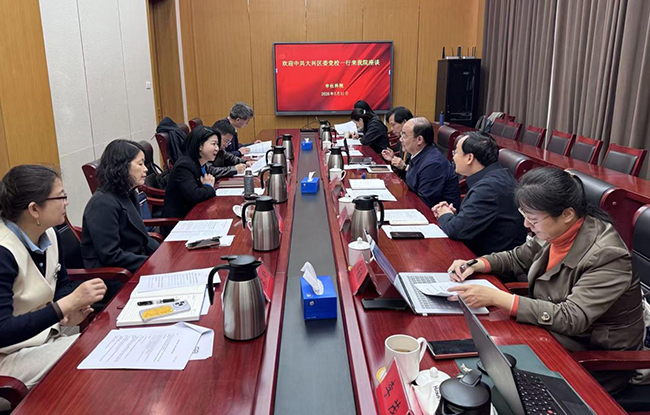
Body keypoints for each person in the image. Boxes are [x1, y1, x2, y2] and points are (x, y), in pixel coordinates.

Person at [447, 167, 644, 394]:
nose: (526, 225)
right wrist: (475, 264)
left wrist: (499, 298)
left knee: (490, 377)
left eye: (532, 219)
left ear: (567, 214)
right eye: (524, 215)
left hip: (592, 356)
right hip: (549, 334)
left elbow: (572, 318)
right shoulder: (557, 231)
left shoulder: (608, 255)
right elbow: (517, 257)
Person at [0, 165, 107, 409]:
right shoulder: (4, 251)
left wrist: (68, 313)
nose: (66, 203)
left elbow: (62, 283)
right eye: (61, 197)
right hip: (7, 358)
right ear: (34, 209)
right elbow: (2, 331)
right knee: (93, 352)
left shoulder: (51, 234)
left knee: (104, 338)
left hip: (41, 339)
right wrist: (63, 308)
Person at [432, 131, 527, 255]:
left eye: (456, 152)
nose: (453, 157)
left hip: (493, 261)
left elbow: (456, 230)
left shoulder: (488, 189)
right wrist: (457, 215)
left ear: (469, 158)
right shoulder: (498, 174)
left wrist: (444, 213)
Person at [81, 140, 160, 275]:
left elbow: (143, 237)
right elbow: (111, 256)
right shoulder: (102, 204)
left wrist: (163, 255)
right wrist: (152, 263)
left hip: (135, 264)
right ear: (122, 167)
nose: (146, 169)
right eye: (140, 164)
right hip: (116, 275)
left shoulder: (128, 192)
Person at [399, 117, 460, 208]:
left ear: (419, 140)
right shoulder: (417, 154)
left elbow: (425, 204)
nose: (400, 139)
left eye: (404, 136)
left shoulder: (433, 165)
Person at [162, 126, 219, 220]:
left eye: (217, 144)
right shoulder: (184, 166)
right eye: (214, 144)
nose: (217, 148)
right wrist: (208, 186)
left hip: (197, 214)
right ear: (200, 146)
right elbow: (195, 195)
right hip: (180, 221)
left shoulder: (201, 163)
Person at [381, 107, 413, 174]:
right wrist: (392, 157)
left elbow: (417, 171)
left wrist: (404, 166)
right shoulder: (401, 139)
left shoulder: (415, 142)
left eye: (393, 125)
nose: (392, 129)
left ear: (405, 122)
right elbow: (401, 162)